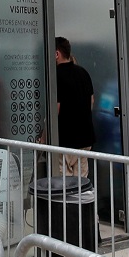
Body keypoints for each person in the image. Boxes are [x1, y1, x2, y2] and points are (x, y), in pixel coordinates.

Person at [53, 37, 95, 175]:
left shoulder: (55, 76)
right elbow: (91, 101)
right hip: (84, 139)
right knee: (81, 187)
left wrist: (45, 136)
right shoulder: (83, 73)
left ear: (57, 54)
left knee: (64, 188)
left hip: (64, 140)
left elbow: (55, 109)